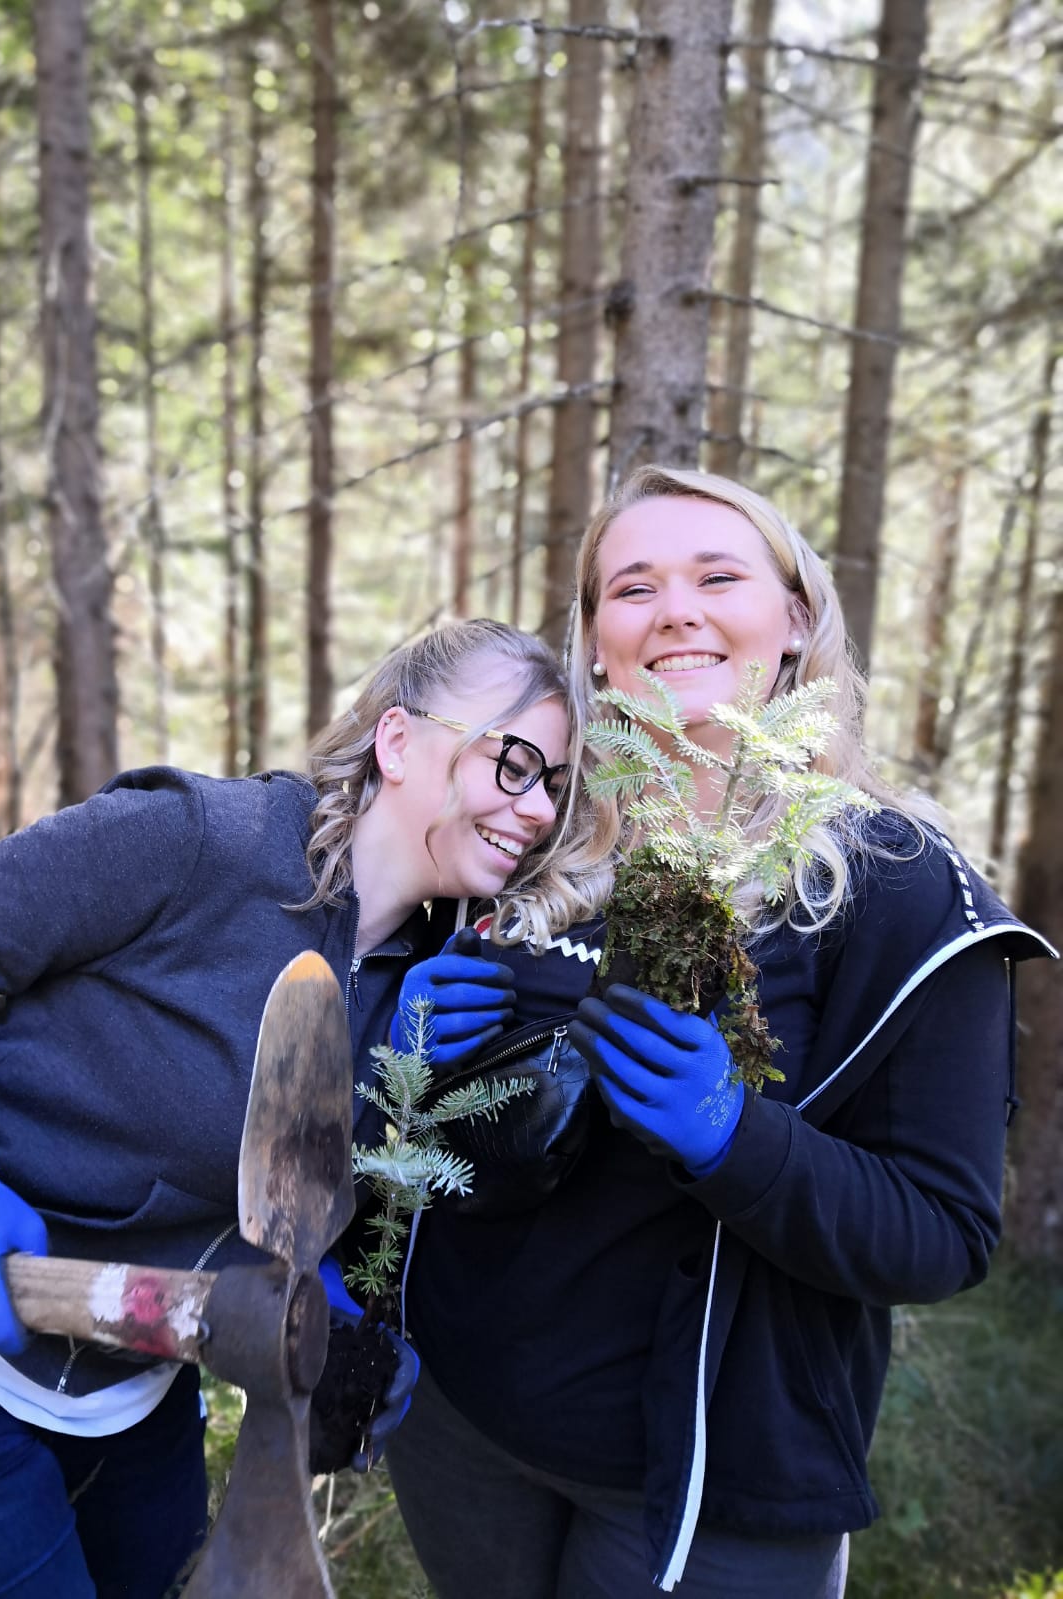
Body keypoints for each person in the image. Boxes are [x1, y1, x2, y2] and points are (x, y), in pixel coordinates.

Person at [382, 468, 1054, 1599]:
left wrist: (733, 1141)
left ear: (794, 621)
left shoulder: (896, 887)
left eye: (718, 576)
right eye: (633, 586)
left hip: (710, 1484)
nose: (675, 609)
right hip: (460, 1420)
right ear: (597, 645)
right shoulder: (525, 833)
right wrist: (398, 1055)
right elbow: (408, 1115)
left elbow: (942, 1232)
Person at [0, 617, 611, 1599]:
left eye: (554, 784)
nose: (536, 808)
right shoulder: (198, 841)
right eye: (514, 762)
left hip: (131, 1381)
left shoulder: (425, 980)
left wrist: (324, 1313)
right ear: (397, 741)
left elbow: (278, 1190)